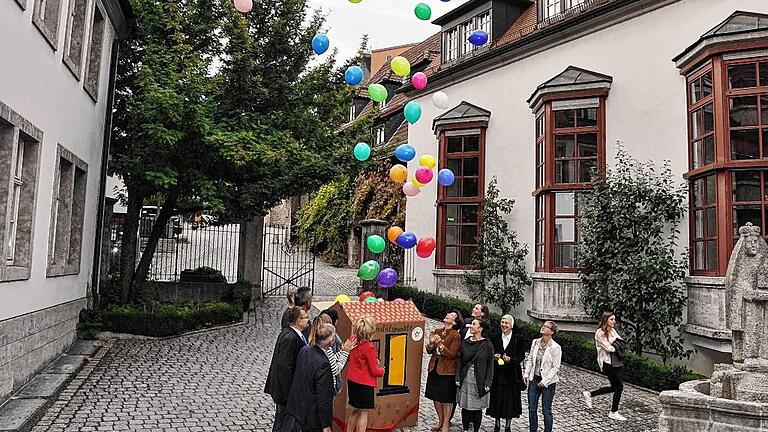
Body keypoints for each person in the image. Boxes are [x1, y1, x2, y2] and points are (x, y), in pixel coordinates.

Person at [284, 323, 337, 432]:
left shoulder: (304, 350)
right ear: (330, 343)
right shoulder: (323, 364)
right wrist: (325, 425)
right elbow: (323, 397)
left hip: (297, 410)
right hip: (311, 417)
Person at [265, 307, 310, 432]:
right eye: (306, 317)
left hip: (288, 392)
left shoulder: (290, 334)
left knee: (284, 422)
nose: (308, 320)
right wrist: (290, 394)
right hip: (287, 393)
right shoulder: (290, 338)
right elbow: (284, 368)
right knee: (285, 424)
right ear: (298, 321)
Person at [583, 312, 627, 421]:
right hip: (607, 362)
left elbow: (620, 342)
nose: (614, 321)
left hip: (616, 361)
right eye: (612, 319)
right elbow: (609, 348)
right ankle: (613, 412)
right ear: (606, 320)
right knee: (619, 386)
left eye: (614, 319)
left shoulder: (612, 331)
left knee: (614, 387)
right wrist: (616, 345)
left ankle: (589, 394)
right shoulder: (600, 332)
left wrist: (616, 345)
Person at [425, 310, 462, 432]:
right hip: (434, 367)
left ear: (455, 322)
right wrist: (431, 344)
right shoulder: (438, 331)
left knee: (446, 399)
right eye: (448, 314)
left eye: (451, 315)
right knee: (435, 396)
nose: (447, 315)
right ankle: (440, 420)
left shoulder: (455, 335)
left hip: (447, 370)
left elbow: (452, 354)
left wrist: (440, 345)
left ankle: (446, 423)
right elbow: (429, 351)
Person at [346, 316, 384, 432]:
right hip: (364, 384)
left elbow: (352, 358)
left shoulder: (352, 339)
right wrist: (382, 370)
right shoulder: (369, 347)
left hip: (352, 380)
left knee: (355, 410)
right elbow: (374, 371)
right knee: (363, 412)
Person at [455, 319, 494, 432]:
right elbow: (460, 361)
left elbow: (490, 365)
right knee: (465, 406)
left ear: (480, 328)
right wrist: (457, 376)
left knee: (477, 408)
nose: (470, 326)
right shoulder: (466, 342)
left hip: (479, 379)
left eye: (474, 324)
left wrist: (488, 382)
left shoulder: (487, 345)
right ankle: (466, 429)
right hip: (466, 378)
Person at [487, 315, 524, 432]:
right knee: (497, 398)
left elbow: (521, 356)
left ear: (511, 325)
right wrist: (494, 356)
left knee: (510, 401)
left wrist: (511, 360)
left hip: (512, 375)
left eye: (506, 323)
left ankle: (508, 426)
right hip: (497, 374)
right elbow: (490, 351)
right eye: (502, 322)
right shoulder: (495, 337)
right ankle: (497, 424)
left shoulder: (518, 338)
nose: (504, 325)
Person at [523, 321, 562, 432]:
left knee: (546, 410)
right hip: (534, 379)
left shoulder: (555, 347)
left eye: (546, 327)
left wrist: (545, 381)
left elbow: (555, 367)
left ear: (552, 332)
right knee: (532, 408)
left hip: (548, 383)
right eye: (543, 325)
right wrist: (526, 373)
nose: (543, 327)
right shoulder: (535, 342)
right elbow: (530, 359)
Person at [309, 314, 356, 395]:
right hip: (326, 389)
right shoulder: (327, 348)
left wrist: (342, 351)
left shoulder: (313, 344)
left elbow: (331, 359)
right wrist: (346, 352)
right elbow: (335, 370)